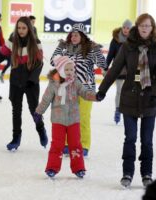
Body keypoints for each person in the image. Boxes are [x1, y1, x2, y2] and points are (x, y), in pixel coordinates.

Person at [96, 13, 156, 188]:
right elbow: (115, 69)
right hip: (129, 96)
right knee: (130, 138)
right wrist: (102, 90)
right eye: (141, 25)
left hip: (150, 98)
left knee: (147, 140)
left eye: (148, 26)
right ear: (137, 26)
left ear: (153, 28)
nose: (144, 28)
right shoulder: (128, 46)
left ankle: (146, 174)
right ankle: (127, 173)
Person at [0, 16, 47, 151]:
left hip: (30, 82)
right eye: (19, 28)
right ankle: (16, 138)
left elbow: (39, 64)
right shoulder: (12, 40)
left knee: (34, 111)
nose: (21, 30)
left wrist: (32, 79)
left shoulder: (35, 42)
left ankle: (41, 130)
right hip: (16, 81)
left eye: (24, 28)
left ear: (29, 29)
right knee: (16, 111)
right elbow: (2, 53)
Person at [34, 56, 97, 178]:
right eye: (67, 70)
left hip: (74, 120)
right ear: (61, 70)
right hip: (58, 120)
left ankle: (79, 168)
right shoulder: (54, 84)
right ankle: (52, 167)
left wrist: (96, 96)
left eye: (72, 69)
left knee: (75, 144)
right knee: (57, 145)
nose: (70, 72)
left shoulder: (76, 83)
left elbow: (85, 93)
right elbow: (46, 99)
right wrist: (38, 112)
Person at [50, 23, 107, 157]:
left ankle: (84, 144)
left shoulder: (90, 50)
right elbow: (53, 61)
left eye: (77, 35)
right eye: (72, 35)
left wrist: (97, 50)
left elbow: (102, 64)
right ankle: (67, 144)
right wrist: (60, 46)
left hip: (87, 90)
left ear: (83, 36)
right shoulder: (67, 50)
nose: (74, 37)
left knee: (83, 118)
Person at [106, 19, 132, 124]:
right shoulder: (115, 40)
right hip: (118, 69)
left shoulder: (134, 40)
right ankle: (118, 110)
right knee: (119, 91)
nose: (125, 30)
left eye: (128, 28)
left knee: (131, 92)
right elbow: (110, 55)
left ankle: (128, 112)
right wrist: (105, 67)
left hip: (131, 70)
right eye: (124, 27)